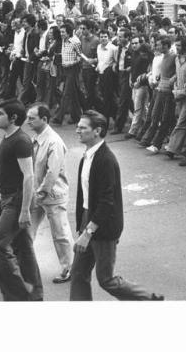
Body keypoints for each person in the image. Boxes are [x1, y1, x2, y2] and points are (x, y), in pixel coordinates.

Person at [70, 110, 163, 301]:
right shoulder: (87, 156)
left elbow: (107, 201)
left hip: (102, 224)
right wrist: (82, 225)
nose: (77, 130)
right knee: (79, 273)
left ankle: (149, 299)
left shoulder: (106, 160)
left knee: (107, 280)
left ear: (97, 131)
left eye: (82, 127)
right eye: (78, 126)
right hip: (88, 218)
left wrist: (88, 233)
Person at [0, 99, 42, 301]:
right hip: (8, 198)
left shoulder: (20, 141)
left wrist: (24, 210)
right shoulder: (8, 138)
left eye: (0, 114)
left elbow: (29, 176)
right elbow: (11, 174)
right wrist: (1, 199)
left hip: (16, 200)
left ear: (12, 118)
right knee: (24, 248)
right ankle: (35, 294)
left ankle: (19, 297)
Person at [25, 104, 74, 283]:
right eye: (28, 117)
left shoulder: (54, 141)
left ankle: (70, 268)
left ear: (44, 119)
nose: (28, 121)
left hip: (52, 195)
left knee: (60, 234)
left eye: (32, 118)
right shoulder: (36, 138)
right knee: (27, 229)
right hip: (38, 193)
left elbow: (52, 173)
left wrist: (40, 193)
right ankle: (24, 263)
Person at [52, 23, 83, 125]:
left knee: (66, 93)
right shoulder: (63, 40)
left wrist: (71, 63)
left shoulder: (75, 42)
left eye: (63, 32)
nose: (61, 34)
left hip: (73, 69)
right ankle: (76, 116)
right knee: (73, 94)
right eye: (61, 32)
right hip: (64, 68)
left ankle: (59, 117)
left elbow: (80, 57)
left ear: (69, 32)